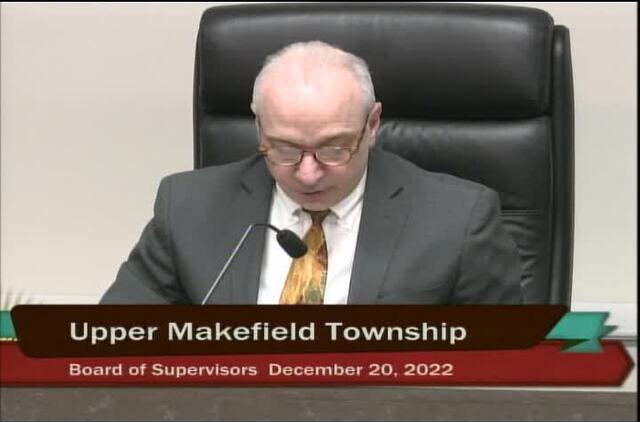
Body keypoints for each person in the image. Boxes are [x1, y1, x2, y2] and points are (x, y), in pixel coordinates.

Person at [101, 41, 522, 305]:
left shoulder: (459, 220)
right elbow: (114, 343)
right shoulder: (186, 208)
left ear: (372, 125)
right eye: (284, 148)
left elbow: (504, 369)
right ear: (259, 128)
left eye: (333, 148)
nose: (307, 173)